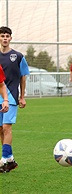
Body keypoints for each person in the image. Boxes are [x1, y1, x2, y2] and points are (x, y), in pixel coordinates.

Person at [0, 26, 29, 173]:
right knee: (0, 129)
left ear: (11, 38)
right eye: (2, 36)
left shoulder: (18, 56)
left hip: (11, 96)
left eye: (7, 36)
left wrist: (22, 96)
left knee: (7, 127)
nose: (5, 38)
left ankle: (4, 159)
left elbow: (23, 76)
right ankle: (9, 160)